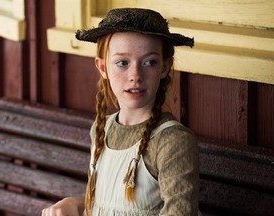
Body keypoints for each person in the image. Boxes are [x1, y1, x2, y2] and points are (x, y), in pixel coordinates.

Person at [42, 7, 200, 216]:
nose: (135, 75)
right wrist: (76, 205)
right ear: (102, 67)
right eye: (122, 63)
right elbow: (107, 207)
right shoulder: (102, 130)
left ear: (164, 67)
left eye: (149, 62)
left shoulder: (171, 142)